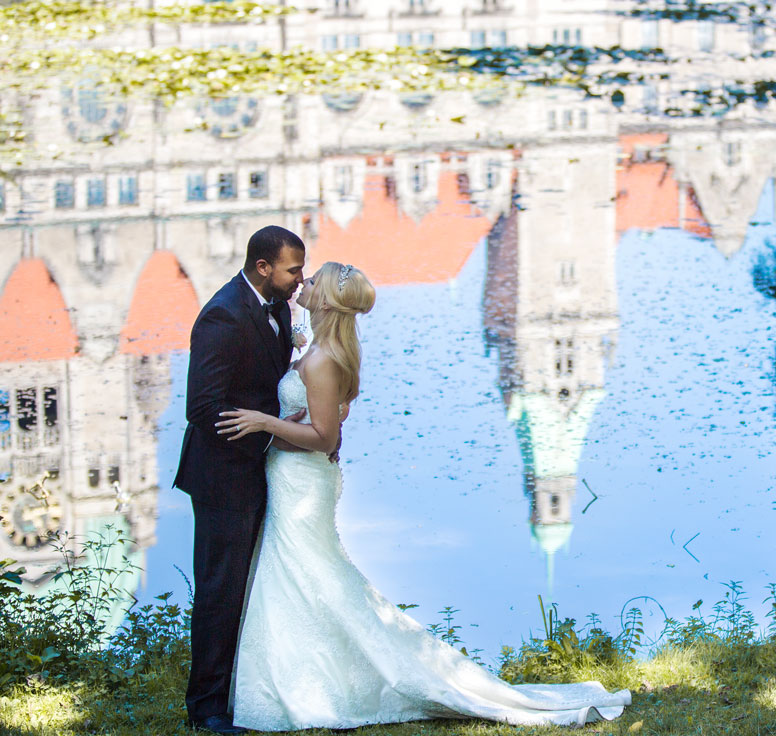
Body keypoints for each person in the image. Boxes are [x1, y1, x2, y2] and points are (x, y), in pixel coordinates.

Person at [211, 262, 631, 730]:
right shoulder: (319, 349)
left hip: (302, 480)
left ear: (326, 301)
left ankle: (320, 684)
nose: (302, 284)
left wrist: (265, 424)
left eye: (311, 282)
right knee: (303, 577)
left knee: (307, 574)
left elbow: (325, 437)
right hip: (295, 477)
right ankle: (300, 679)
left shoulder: (324, 358)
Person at [175, 225, 304, 734]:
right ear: (263, 268)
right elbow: (203, 407)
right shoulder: (223, 315)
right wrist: (271, 437)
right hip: (222, 477)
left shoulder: (278, 307)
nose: (300, 278)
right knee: (218, 592)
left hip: (256, 471)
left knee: (247, 586)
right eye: (293, 269)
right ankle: (205, 709)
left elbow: (264, 386)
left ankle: (238, 691)